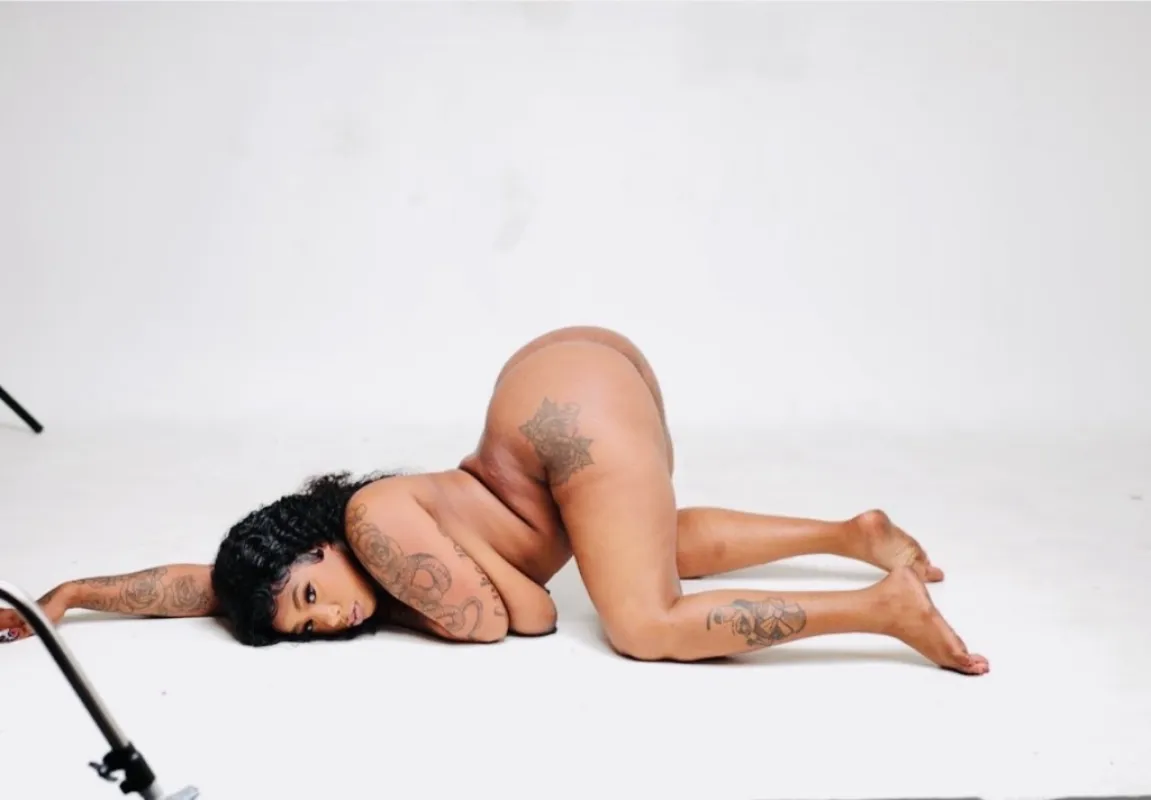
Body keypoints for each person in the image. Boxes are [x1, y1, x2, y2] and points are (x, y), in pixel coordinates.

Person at [0, 326, 989, 674]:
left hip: (562, 419)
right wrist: (70, 597)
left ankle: (881, 607)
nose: (327, 618)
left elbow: (520, 616)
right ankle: (853, 533)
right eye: (307, 628)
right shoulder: (366, 536)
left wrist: (478, 578)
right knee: (638, 552)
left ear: (315, 542)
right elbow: (213, 585)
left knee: (639, 620)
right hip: (569, 392)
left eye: (308, 597)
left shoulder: (374, 523)